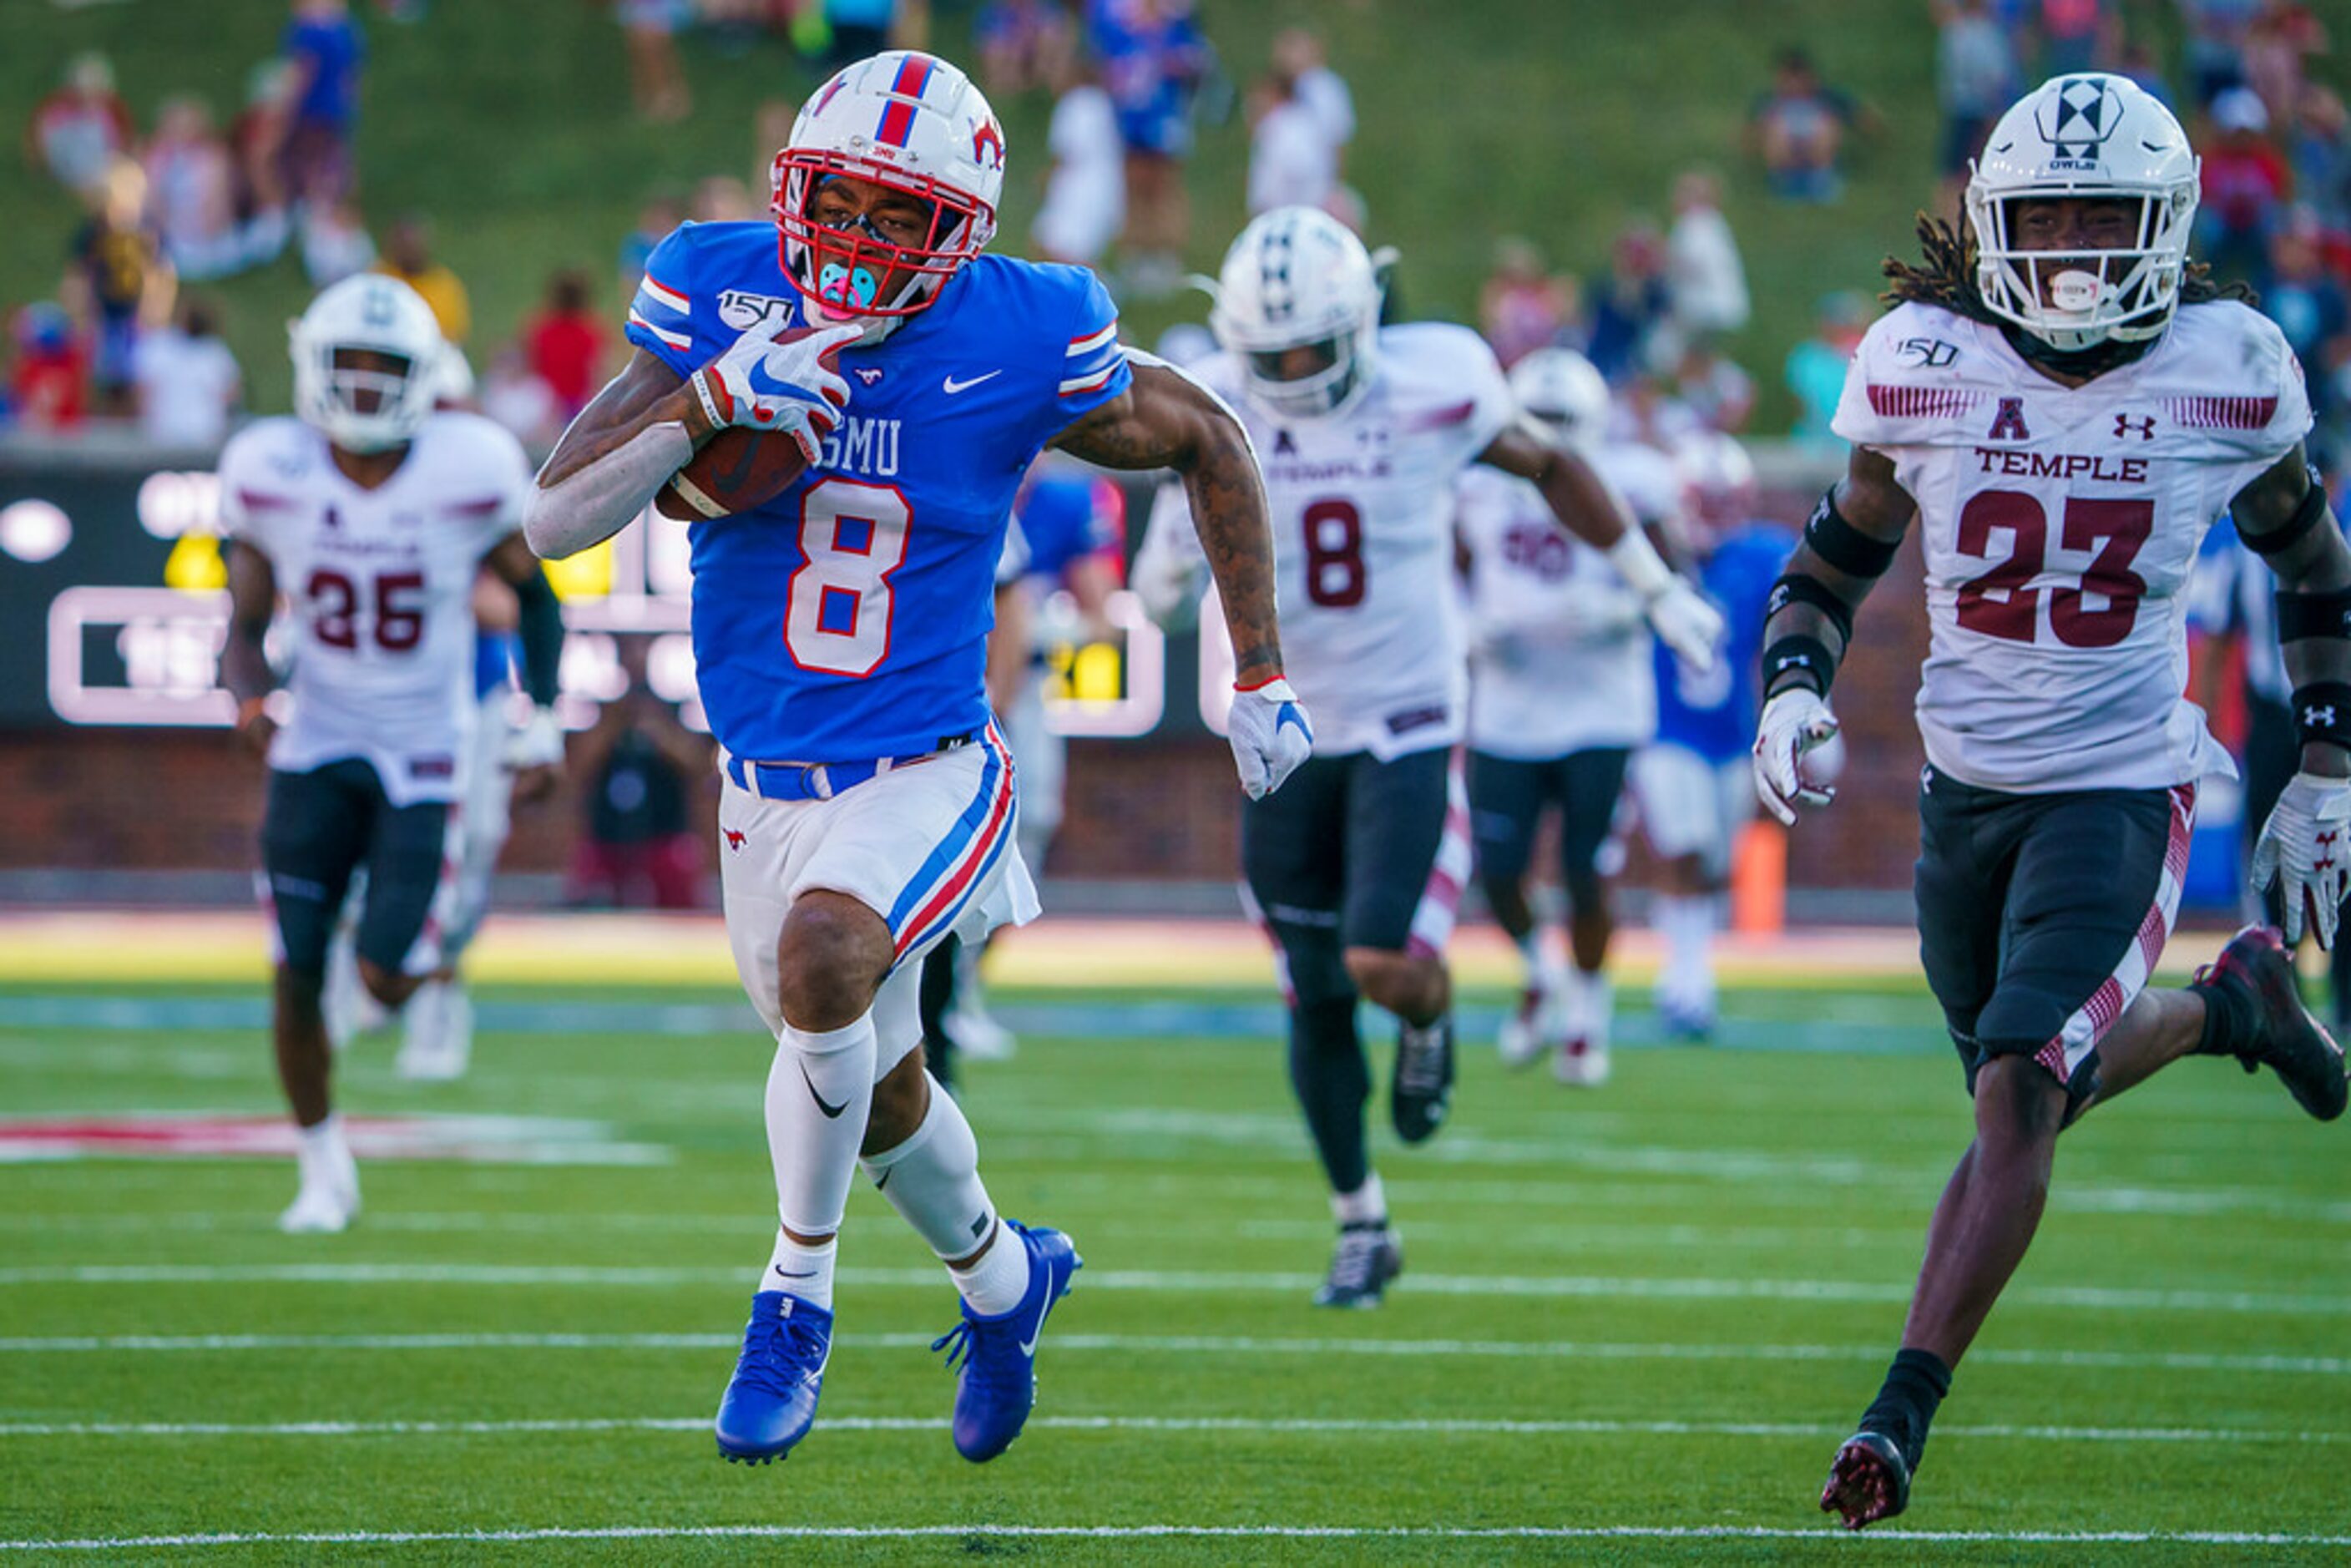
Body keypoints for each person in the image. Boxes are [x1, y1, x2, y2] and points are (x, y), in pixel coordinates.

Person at [520, 50, 1308, 1466]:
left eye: (902, 215)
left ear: (965, 230)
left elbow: (1209, 434)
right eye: (843, 201)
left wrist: (1257, 669)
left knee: (831, 958)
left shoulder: (1025, 326)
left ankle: (792, 1299)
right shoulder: (716, 288)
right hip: (763, 778)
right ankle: (1006, 1281)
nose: (864, 240)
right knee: (876, 1089)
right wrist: (710, 401)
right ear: (793, 189)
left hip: (938, 759)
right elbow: (555, 521)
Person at [1752, 74, 2351, 1531]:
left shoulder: (2226, 365)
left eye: (2104, 216)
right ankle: (2233, 1005)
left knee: (2020, 1085)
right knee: (2028, 1078)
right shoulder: (1922, 362)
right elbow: (1832, 564)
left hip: (2121, 782)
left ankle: (1898, 1413)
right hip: (1967, 790)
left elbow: (2315, 566)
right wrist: (1787, 684)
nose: (2076, 248)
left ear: (2166, 223)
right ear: (1993, 223)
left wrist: (2327, 766)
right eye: (2049, 217)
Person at [1135, 207, 1725, 1307]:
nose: (1297, 372)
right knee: (1309, 994)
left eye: (1315, 346)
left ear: (1365, 322)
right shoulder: (1210, 396)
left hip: (1405, 719)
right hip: (1279, 736)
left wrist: (1652, 586)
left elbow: (1549, 464)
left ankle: (1432, 1010)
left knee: (1377, 964)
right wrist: (1165, 561)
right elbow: (1169, 566)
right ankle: (1361, 1219)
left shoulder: (1432, 382)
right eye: (1275, 356)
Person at [216, 274, 567, 1232]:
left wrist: (539, 716)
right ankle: (322, 1167)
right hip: (317, 744)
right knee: (291, 967)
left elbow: (534, 597)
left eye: (385, 368)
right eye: (349, 366)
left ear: (423, 377)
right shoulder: (266, 467)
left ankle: (386, 948)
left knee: (388, 974)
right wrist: (249, 694)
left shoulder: (471, 465)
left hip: (427, 751)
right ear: (311, 368)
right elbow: (242, 619)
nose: (365, 387)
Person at [1455, 347, 1682, 1085]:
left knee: (1586, 872)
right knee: (1498, 870)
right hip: (1508, 706)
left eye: (1561, 420)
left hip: (1601, 706)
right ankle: (1535, 974)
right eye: (1538, 419)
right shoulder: (1476, 484)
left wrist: (1620, 611)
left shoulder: (1635, 481)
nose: (1548, 434)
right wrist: (1464, 621)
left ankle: (1588, 1015)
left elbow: (1676, 579)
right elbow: (1441, 565)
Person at [1632, 432, 1794, 1038]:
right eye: (1708, 498)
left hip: (1731, 732)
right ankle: (1686, 984)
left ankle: (1688, 973)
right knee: (1686, 849)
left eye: (1727, 499)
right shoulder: (1650, 551)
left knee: (1716, 864)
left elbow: (1783, 634)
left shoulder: (1761, 554)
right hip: (1662, 728)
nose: (1717, 511)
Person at [566, 641, 709, 910]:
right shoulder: (606, 712)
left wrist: (658, 732)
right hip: (608, 835)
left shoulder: (670, 709)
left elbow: (697, 768)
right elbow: (579, 767)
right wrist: (615, 722)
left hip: (665, 833)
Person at [67, 159, 174, 418]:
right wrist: (79, 309)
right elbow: (80, 272)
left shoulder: (148, 231)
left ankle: (133, 417)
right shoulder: (95, 230)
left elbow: (161, 272)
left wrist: (158, 309)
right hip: (103, 310)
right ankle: (100, 417)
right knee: (100, 368)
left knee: (137, 371)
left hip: (136, 313)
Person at [1030, 57, 1124, 266]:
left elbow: (1068, 151)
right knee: (1075, 251)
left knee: (1058, 250)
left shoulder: (1074, 103)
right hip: (1106, 186)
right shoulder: (1102, 101)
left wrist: (1048, 178)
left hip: (1078, 189)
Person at [280, 0, 367, 210]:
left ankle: (308, 212)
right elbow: (353, 80)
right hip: (336, 111)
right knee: (334, 163)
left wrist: (286, 107)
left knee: (304, 163)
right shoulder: (348, 30)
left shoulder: (307, 31)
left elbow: (304, 72)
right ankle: (333, 211)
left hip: (310, 109)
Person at [1749, 47, 1859, 203]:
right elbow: (1751, 133)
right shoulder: (1771, 101)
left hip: (1818, 148)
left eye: (1798, 77)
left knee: (1826, 125)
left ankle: (1820, 180)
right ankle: (1784, 181)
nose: (1793, 83)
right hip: (1785, 151)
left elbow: (1863, 118)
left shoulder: (1827, 98)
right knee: (1775, 126)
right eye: (1788, 78)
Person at [131, 294, 241, 448]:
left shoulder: (157, 345)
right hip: (204, 434)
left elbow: (141, 393)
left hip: (164, 435)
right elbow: (231, 395)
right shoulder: (216, 352)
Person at [27, 53, 132, 200]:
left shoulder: (107, 115)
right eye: (83, 87)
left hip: (100, 169)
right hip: (66, 165)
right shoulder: (59, 111)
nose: (88, 93)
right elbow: (45, 141)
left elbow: (116, 146)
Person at [525, 269, 610, 422]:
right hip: (579, 402)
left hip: (549, 402)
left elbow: (533, 367)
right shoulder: (591, 331)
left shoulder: (543, 329)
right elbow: (596, 372)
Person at [375, 215, 472, 350]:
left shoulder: (445, 286)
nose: (409, 251)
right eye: (403, 244)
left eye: (413, 244)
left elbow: (454, 339)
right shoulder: (379, 278)